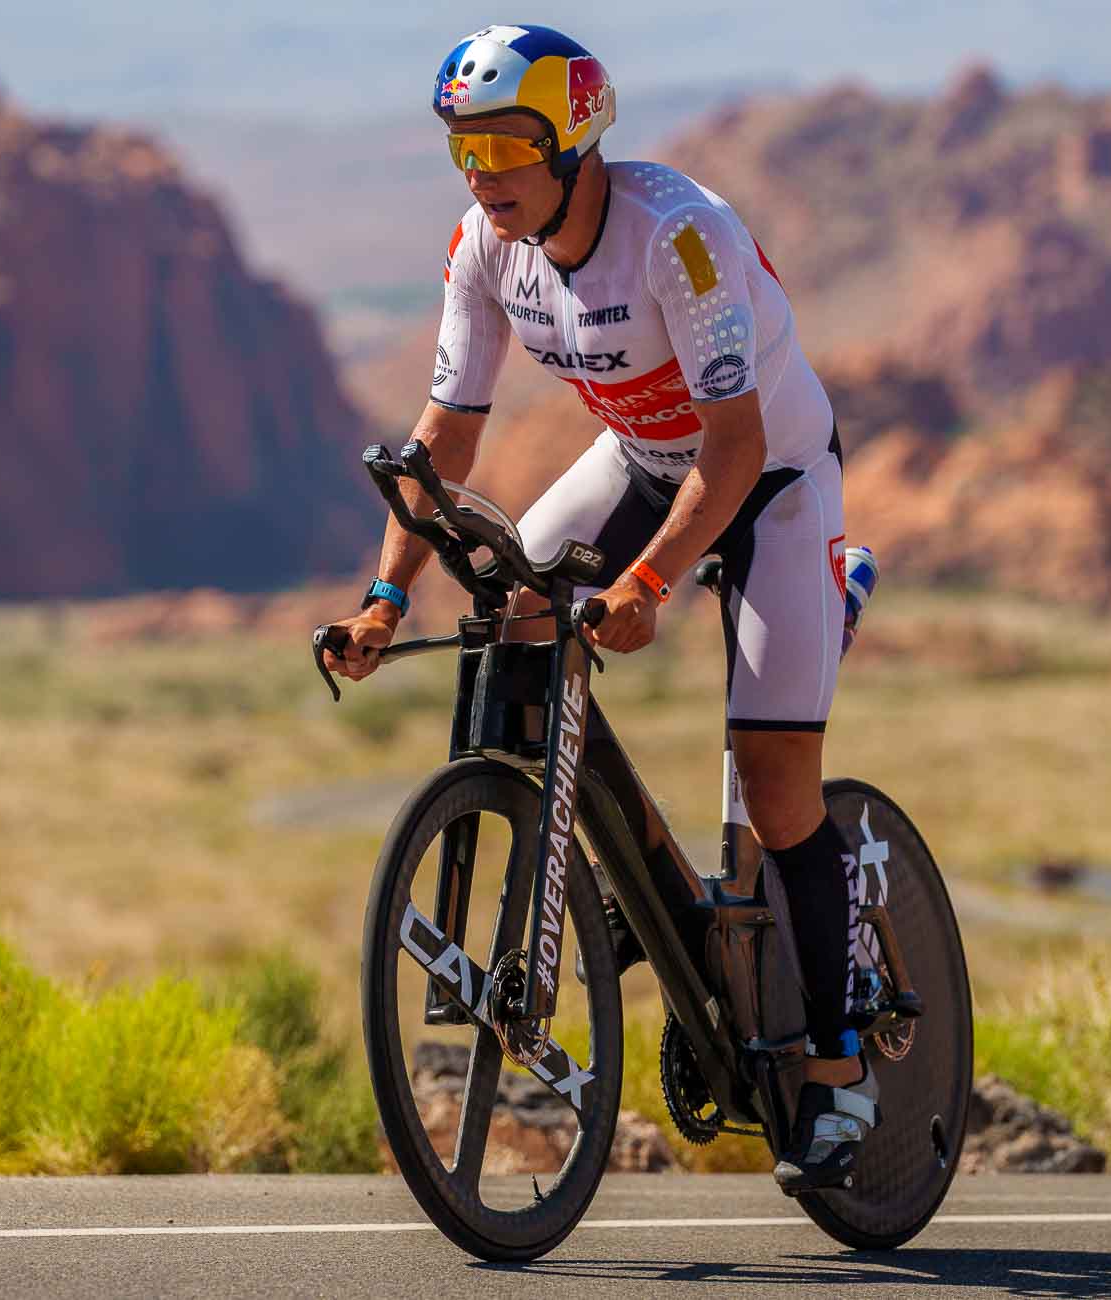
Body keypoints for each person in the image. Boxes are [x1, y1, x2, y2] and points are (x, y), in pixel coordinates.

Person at [320, 23, 874, 1192]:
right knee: (514, 608)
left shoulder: (684, 239)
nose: (484, 172)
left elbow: (732, 447)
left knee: (777, 786)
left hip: (768, 477)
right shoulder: (484, 244)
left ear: (574, 139)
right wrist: (382, 597)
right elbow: (445, 440)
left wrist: (652, 583)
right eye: (464, 148)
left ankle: (840, 1075)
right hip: (641, 456)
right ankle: (588, 865)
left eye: (508, 144)